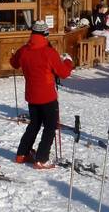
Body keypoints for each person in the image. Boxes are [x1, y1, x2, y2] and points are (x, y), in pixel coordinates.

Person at [11, 20, 74, 169]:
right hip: (47, 96)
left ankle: (22, 154)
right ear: (45, 34)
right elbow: (64, 73)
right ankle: (41, 159)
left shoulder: (24, 50)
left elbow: (14, 63)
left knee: (34, 124)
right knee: (50, 127)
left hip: (32, 95)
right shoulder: (49, 52)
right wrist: (68, 62)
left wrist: (14, 55)